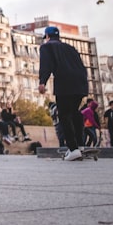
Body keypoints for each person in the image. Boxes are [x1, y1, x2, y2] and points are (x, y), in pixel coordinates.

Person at [38, 25, 89, 161]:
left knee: (64, 114)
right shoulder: (71, 48)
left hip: (65, 83)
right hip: (81, 82)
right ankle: (80, 144)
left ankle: (73, 149)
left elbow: (46, 64)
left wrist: (42, 81)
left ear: (47, 37)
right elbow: (81, 66)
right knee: (75, 113)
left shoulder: (47, 47)